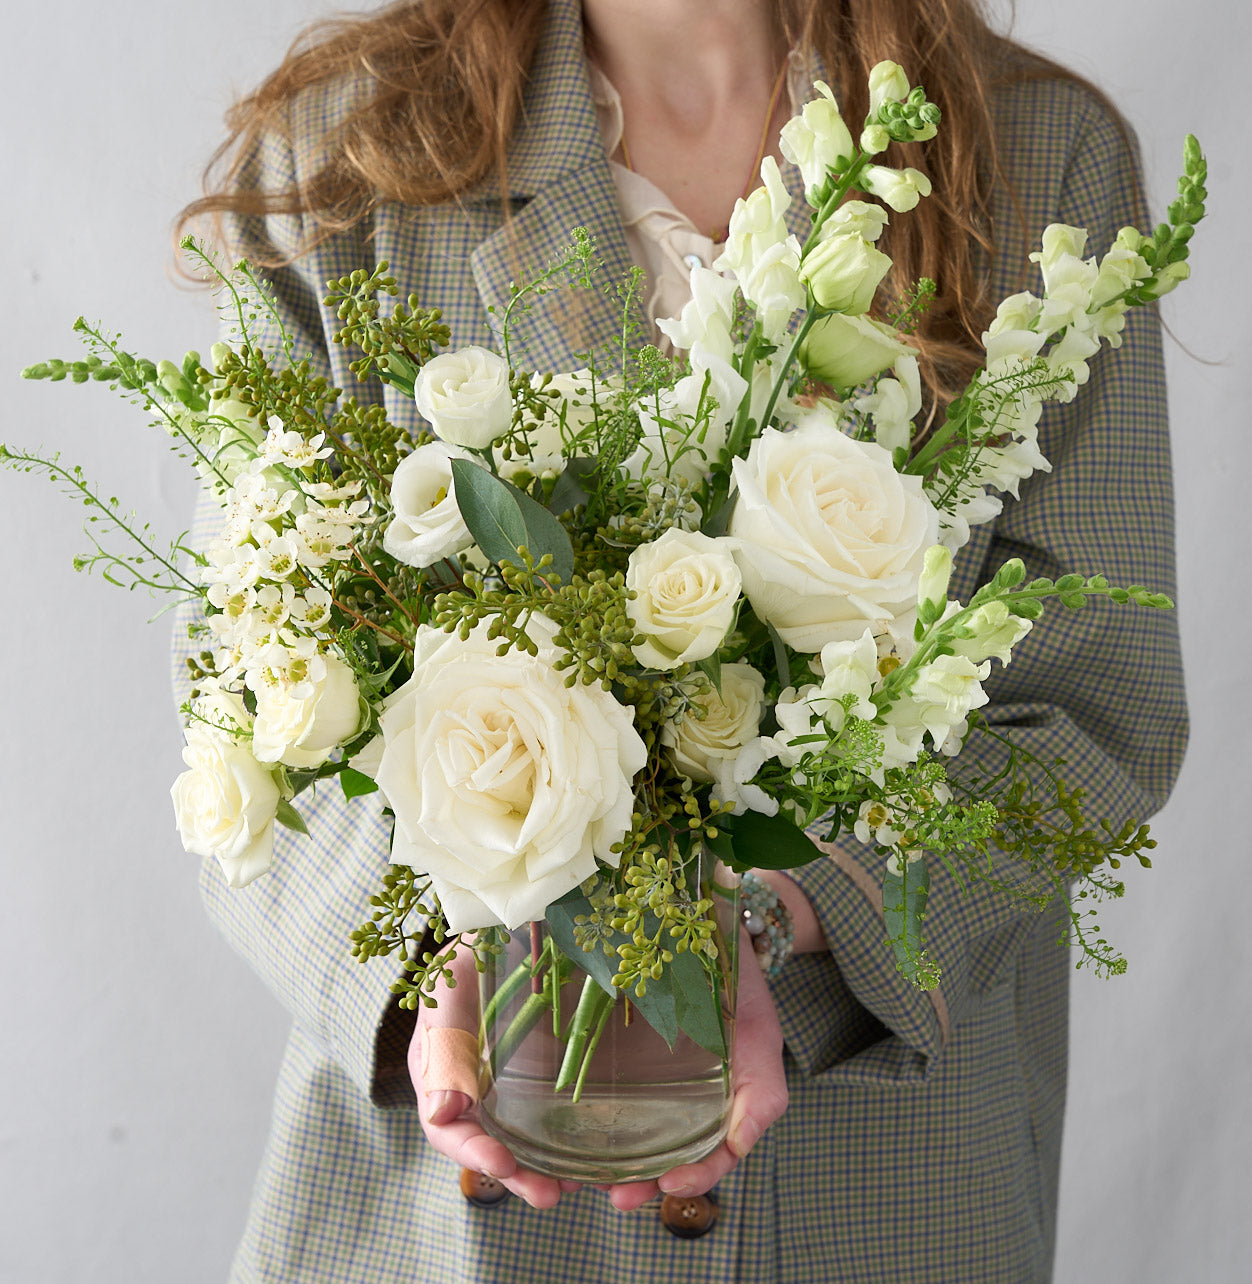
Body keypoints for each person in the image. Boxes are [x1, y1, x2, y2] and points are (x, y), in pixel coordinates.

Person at [177, 0, 1187, 1279]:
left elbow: (1090, 705)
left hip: (877, 1198)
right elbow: (240, 692)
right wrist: (434, 978)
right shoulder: (351, 154)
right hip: (457, 1219)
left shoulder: (1038, 159)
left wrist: (776, 932)